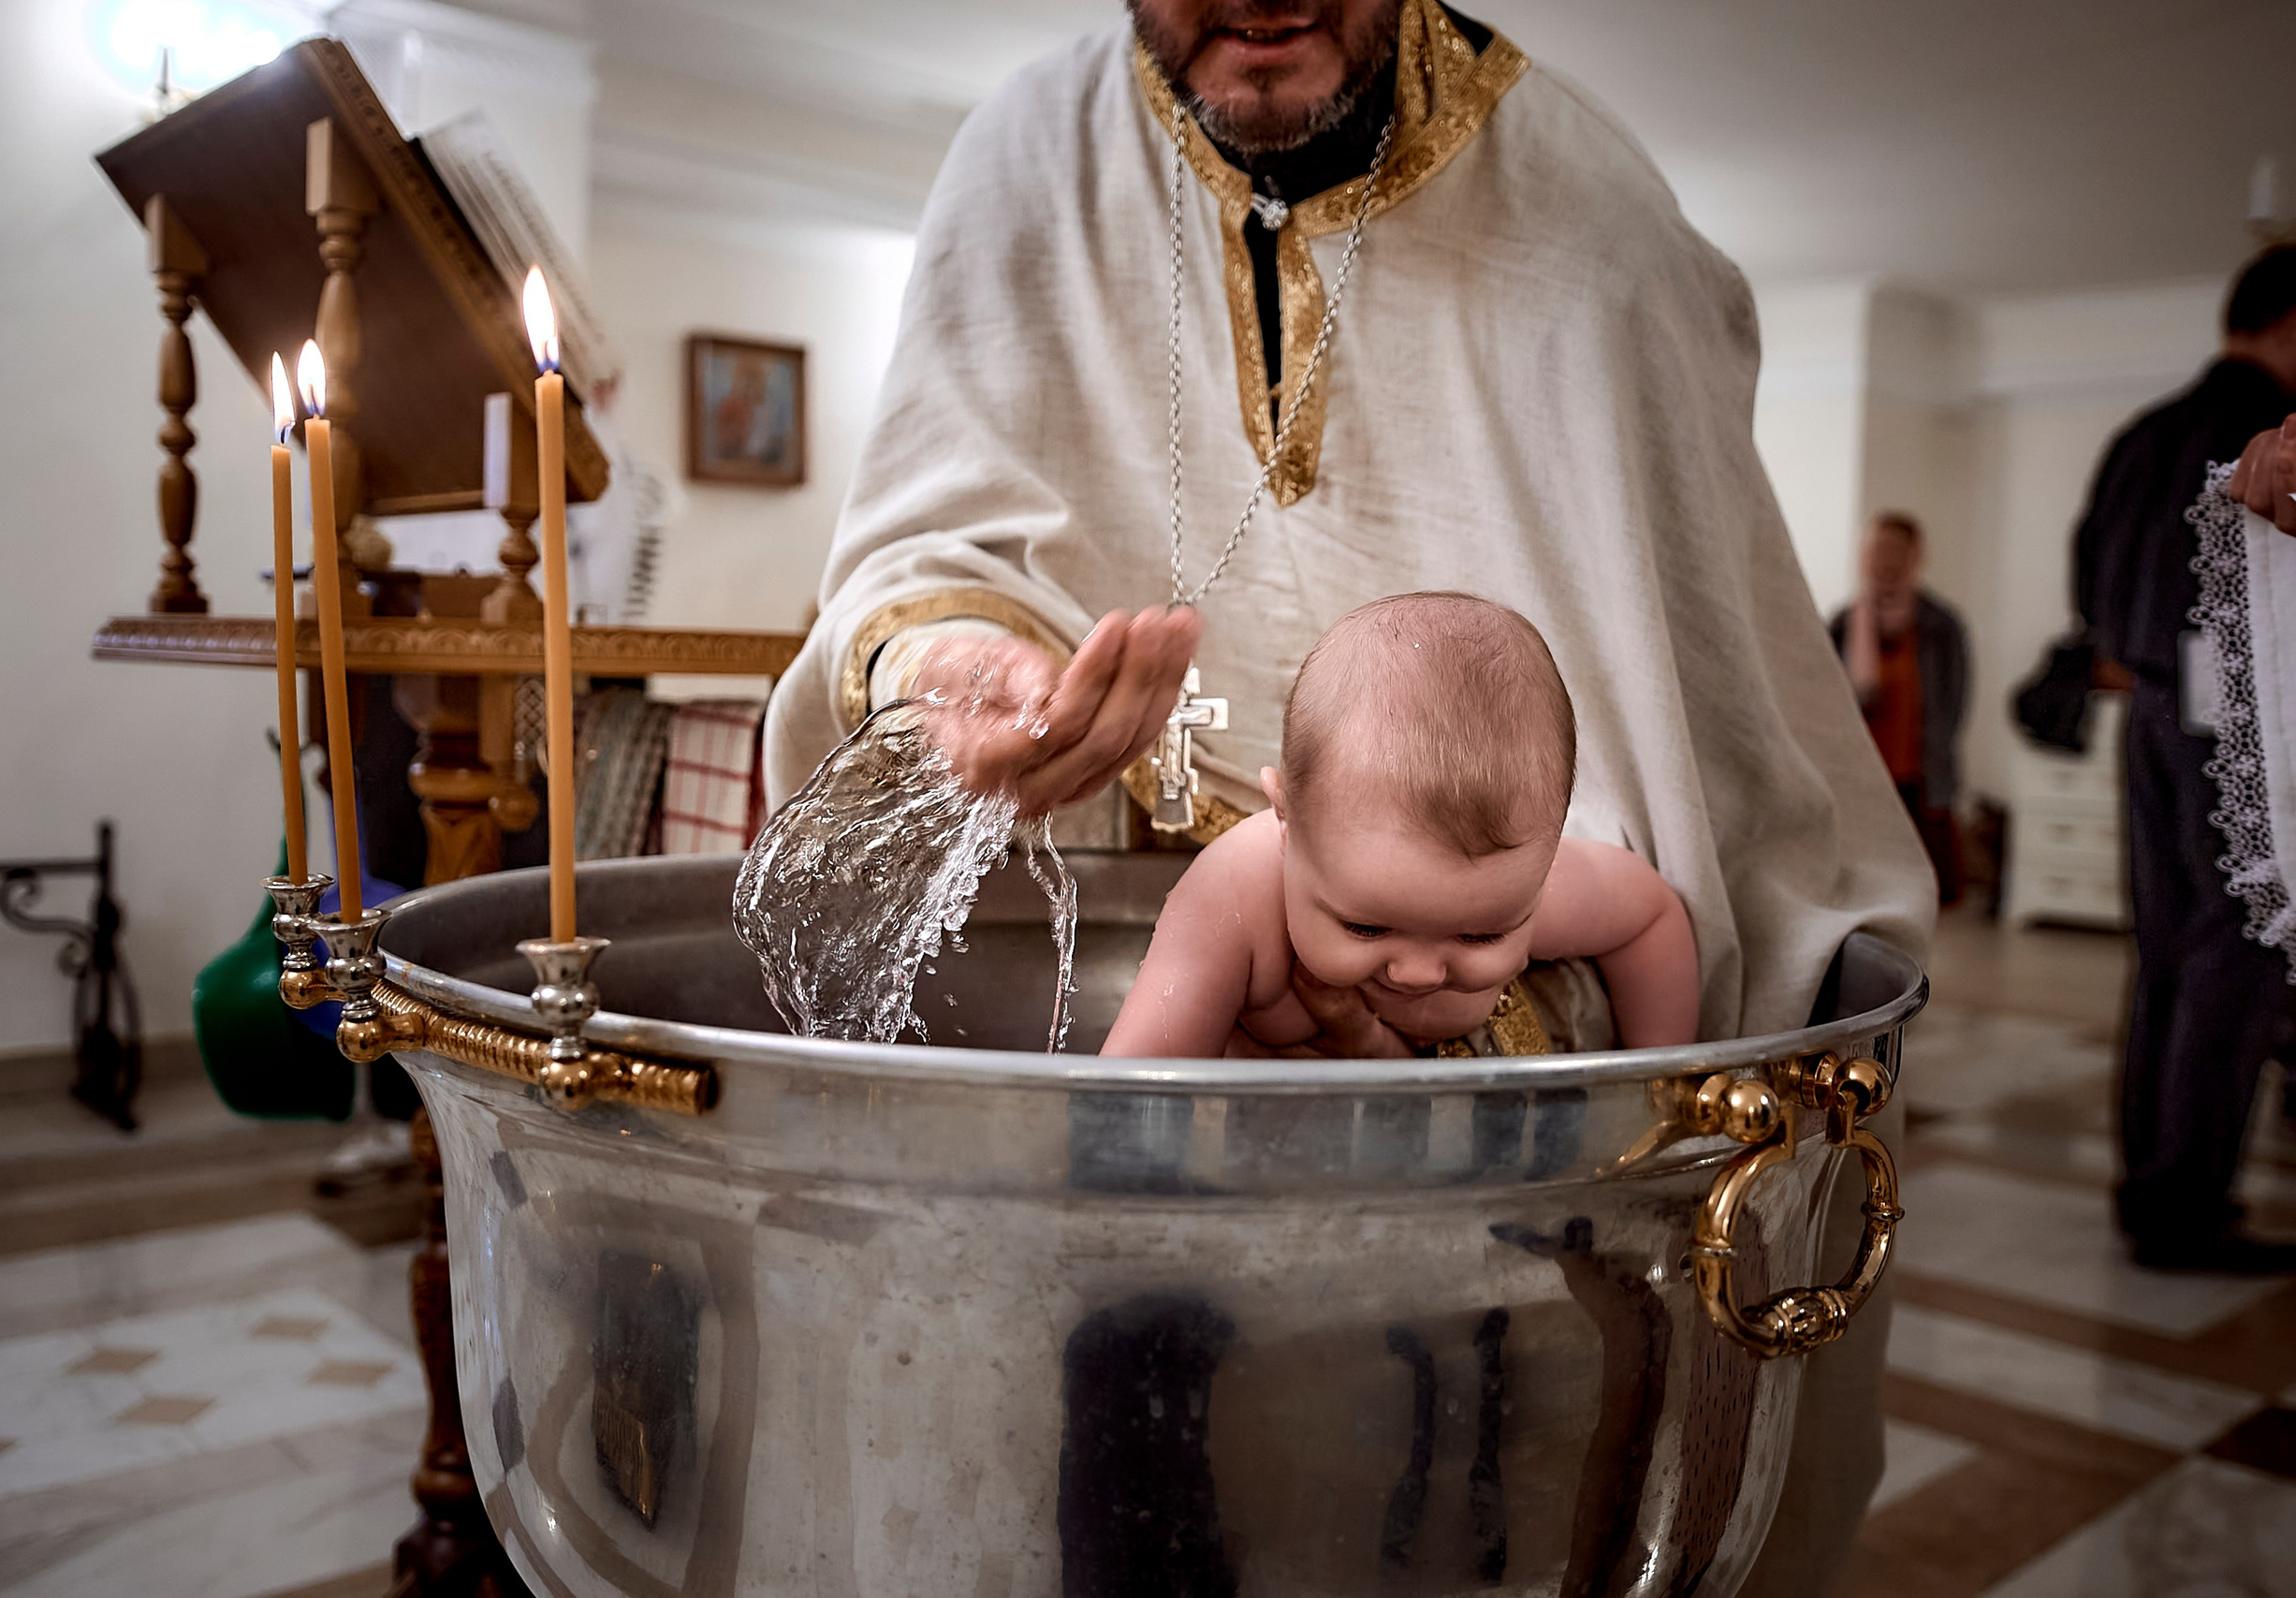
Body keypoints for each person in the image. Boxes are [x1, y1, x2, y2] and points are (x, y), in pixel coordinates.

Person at [765, 2, 1934, 1587]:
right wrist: (956, 663)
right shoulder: (1030, 161)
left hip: (1507, 1159)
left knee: (1491, 1478)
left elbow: (1691, 767)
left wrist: (1603, 1059)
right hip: (1139, 988)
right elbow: (1113, 1112)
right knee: (1139, 1427)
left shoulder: (1587, 218)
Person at [2069, 243, 2296, 1273]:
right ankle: (2182, 1211)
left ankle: (2151, 1191)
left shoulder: (2141, 434)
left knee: (2165, 957)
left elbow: (2090, 576)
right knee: (2232, 961)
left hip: (2147, 714)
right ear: (2293, 322)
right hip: (2236, 721)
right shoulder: (2283, 438)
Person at [1104, 594, 1699, 1058]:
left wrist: (1662, 1088)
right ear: (1286, 819)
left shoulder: (1515, 881)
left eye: (1479, 936)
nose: (1419, 973)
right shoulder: (1231, 899)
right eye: (1365, 926)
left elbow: (1650, 917)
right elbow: (1128, 1096)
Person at [1828, 514, 1969, 903]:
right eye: (1876, 550)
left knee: (1928, 890)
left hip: (1919, 776)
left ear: (1914, 556)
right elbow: (1828, 700)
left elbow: (1955, 703)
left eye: (1895, 550)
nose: (1884, 560)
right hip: (1860, 776)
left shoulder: (1942, 626)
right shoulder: (1844, 624)